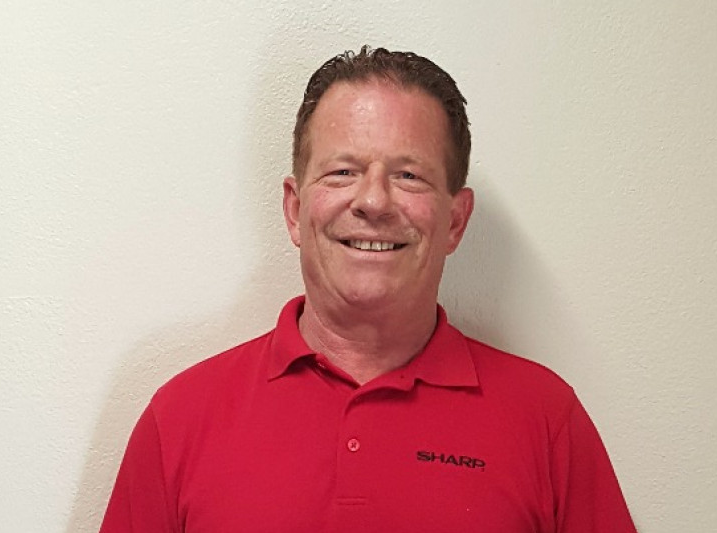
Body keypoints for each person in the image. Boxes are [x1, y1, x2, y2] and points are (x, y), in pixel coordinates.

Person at [100, 46, 637, 532]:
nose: (374, 201)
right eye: (342, 171)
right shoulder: (180, 419)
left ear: (455, 220)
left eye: (409, 176)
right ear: (295, 209)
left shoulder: (546, 420)